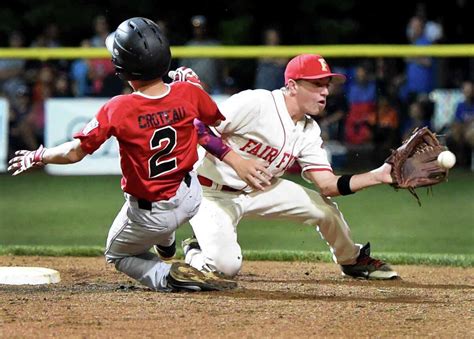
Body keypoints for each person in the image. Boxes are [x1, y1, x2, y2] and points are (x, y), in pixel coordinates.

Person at [7, 17, 235, 292]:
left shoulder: (118, 108)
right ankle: (166, 242)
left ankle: (166, 275)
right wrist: (196, 88)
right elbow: (215, 122)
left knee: (117, 254)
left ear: (122, 68)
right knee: (171, 197)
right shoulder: (187, 92)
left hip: (151, 214)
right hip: (191, 198)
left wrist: (38, 155)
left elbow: (74, 153)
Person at [181, 54, 399, 280]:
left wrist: (378, 176)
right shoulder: (257, 103)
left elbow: (328, 185)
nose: (325, 91)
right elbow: (197, 126)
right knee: (225, 268)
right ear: (293, 86)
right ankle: (195, 251)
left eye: (326, 85)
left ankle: (351, 260)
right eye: (316, 84)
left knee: (325, 210)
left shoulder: (309, 130)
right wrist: (238, 161)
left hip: (261, 190)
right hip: (210, 192)